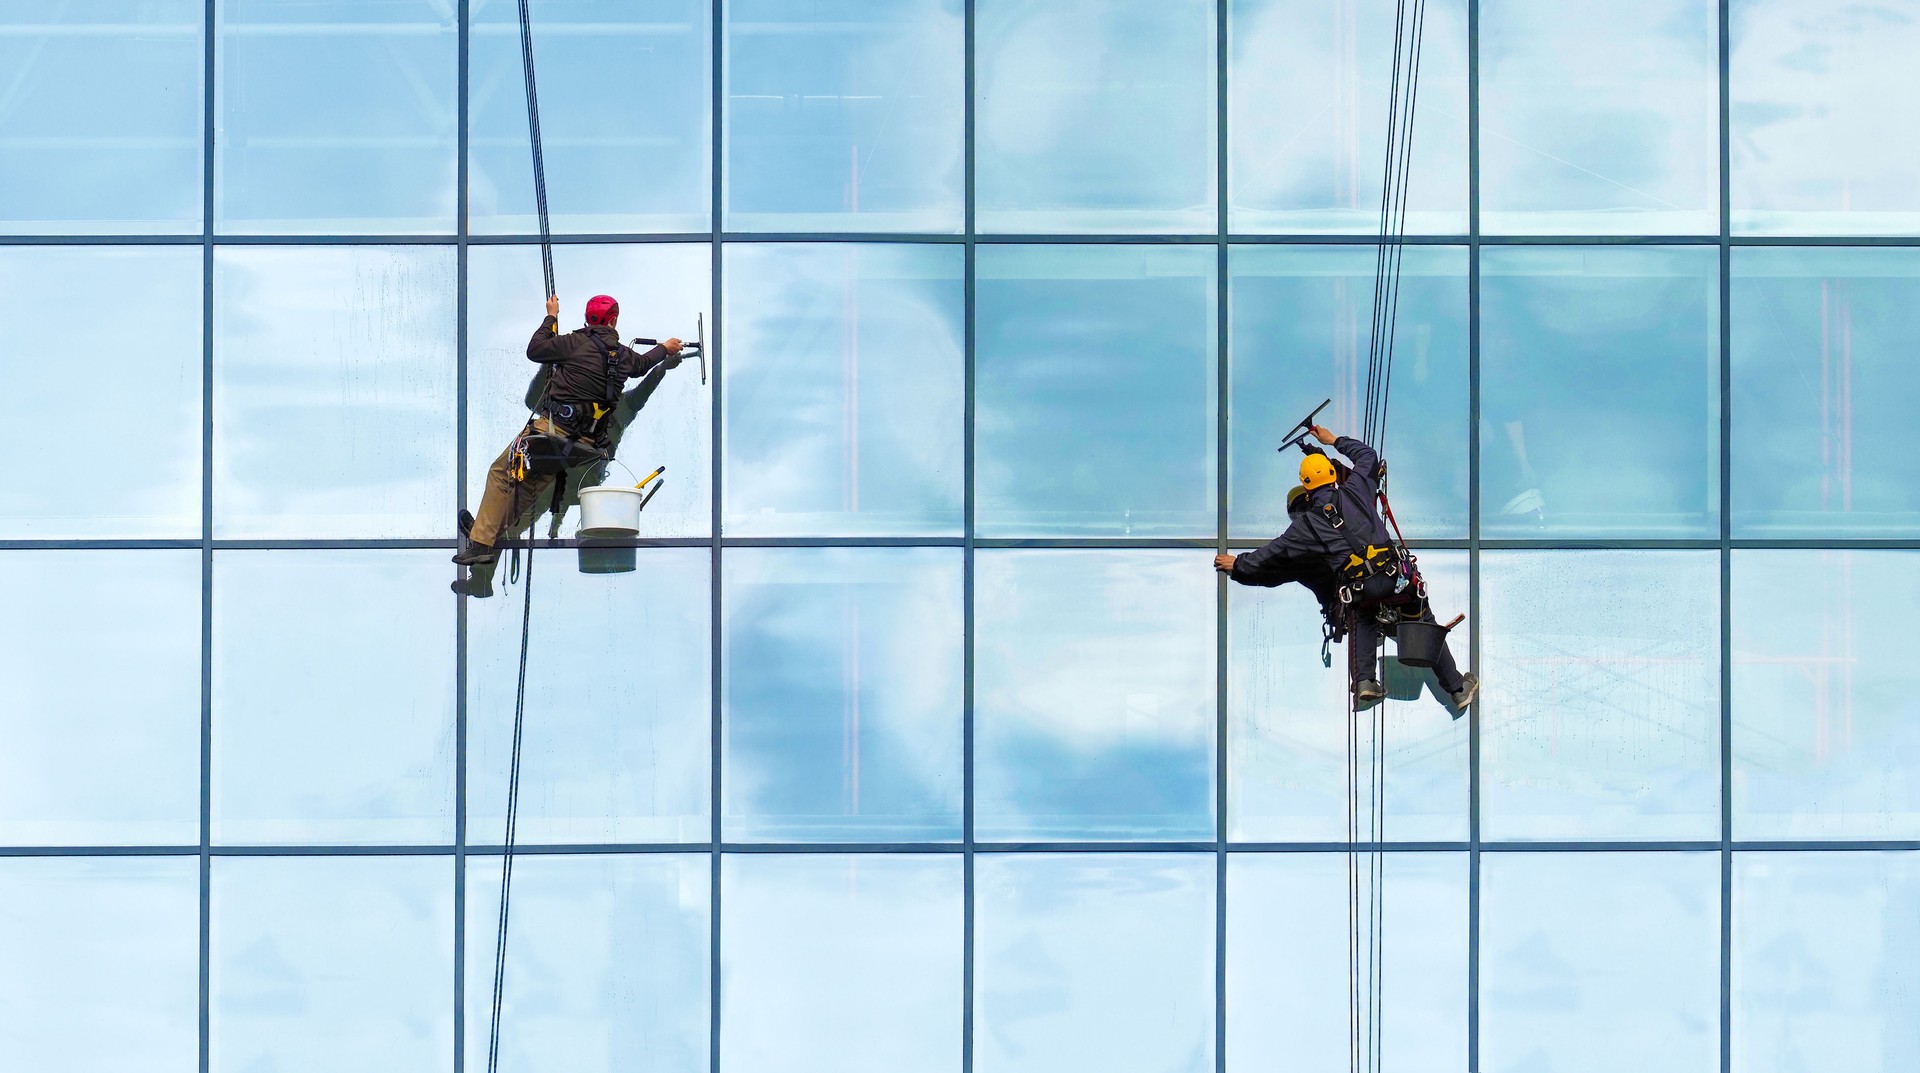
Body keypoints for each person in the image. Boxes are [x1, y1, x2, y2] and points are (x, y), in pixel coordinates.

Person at [1215, 424, 1479, 713]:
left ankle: (1365, 682)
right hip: (1395, 580)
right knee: (1423, 620)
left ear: (1305, 486)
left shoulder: (1304, 527)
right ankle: (1456, 688)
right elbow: (1367, 456)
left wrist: (1239, 564)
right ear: (1333, 476)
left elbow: (1272, 553)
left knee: (1362, 615)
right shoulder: (1357, 489)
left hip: (1360, 589)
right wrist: (1333, 440)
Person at [454, 294, 683, 567]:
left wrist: (551, 315)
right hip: (581, 445)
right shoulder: (623, 357)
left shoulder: (574, 343)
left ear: (588, 319)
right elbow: (644, 365)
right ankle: (486, 532)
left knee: (501, 473)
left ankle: (481, 544)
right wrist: (666, 349)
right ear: (614, 320)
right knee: (527, 488)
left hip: (550, 432)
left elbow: (535, 350)